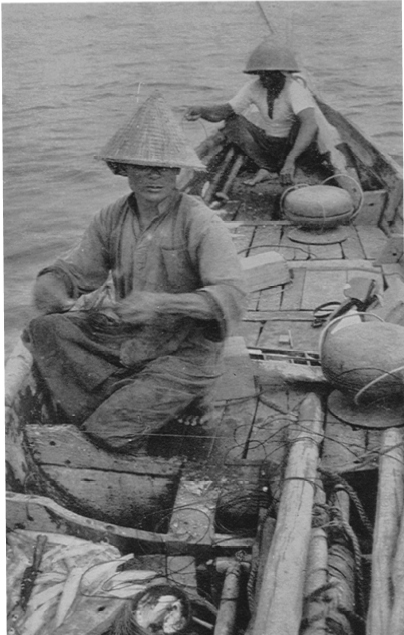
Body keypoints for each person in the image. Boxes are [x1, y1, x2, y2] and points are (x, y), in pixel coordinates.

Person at [26, 92, 247, 453]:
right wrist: (52, 286)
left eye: (163, 166)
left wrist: (161, 303)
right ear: (124, 168)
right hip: (128, 340)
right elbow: (74, 271)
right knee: (43, 328)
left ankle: (172, 396)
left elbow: (232, 298)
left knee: (108, 431)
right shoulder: (110, 217)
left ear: (177, 170)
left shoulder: (200, 221)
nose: (153, 175)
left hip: (185, 354)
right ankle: (133, 395)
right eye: (142, 166)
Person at [185, 41, 321, 186]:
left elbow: (310, 124)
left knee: (302, 122)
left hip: (292, 146)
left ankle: (284, 166)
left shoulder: (295, 90)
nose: (264, 78)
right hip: (269, 143)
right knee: (233, 121)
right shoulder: (254, 87)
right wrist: (201, 111)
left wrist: (291, 160)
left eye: (270, 74)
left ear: (280, 73)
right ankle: (268, 167)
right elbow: (225, 111)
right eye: (261, 74)